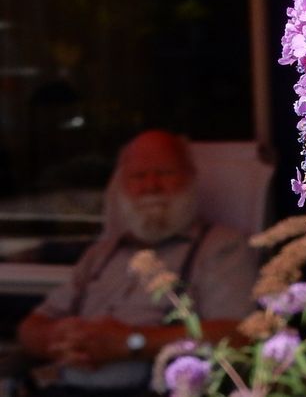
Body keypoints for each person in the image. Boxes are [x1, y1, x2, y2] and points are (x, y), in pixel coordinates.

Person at [17, 130, 258, 396]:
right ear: (121, 187)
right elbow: (30, 328)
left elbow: (239, 335)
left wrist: (131, 342)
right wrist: (59, 339)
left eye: (165, 173)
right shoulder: (102, 253)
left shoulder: (221, 246)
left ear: (190, 179)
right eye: (138, 176)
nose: (151, 185)